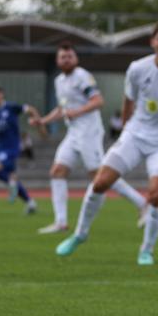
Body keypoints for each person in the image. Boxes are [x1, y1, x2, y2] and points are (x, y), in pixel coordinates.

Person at [55, 20, 158, 265]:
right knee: (101, 182)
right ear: (152, 42)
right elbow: (128, 100)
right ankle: (79, 234)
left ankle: (146, 250)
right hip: (135, 134)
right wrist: (125, 130)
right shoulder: (136, 69)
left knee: (156, 196)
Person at [30, 42, 148, 235]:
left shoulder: (82, 77)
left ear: (75, 59)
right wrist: (43, 120)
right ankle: (60, 222)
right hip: (73, 132)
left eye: (69, 56)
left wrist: (77, 112)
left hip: (89, 132)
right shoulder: (59, 80)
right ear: (57, 60)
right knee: (57, 171)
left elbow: (98, 101)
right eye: (62, 57)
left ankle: (142, 203)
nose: (66, 60)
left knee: (100, 176)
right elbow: (62, 109)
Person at [0, 86, 38, 214]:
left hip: (12, 146)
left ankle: (12, 183)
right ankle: (29, 202)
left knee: (0, 168)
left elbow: (29, 109)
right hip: (1, 148)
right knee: (9, 176)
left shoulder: (11, 107)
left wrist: (37, 119)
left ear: (2, 94)